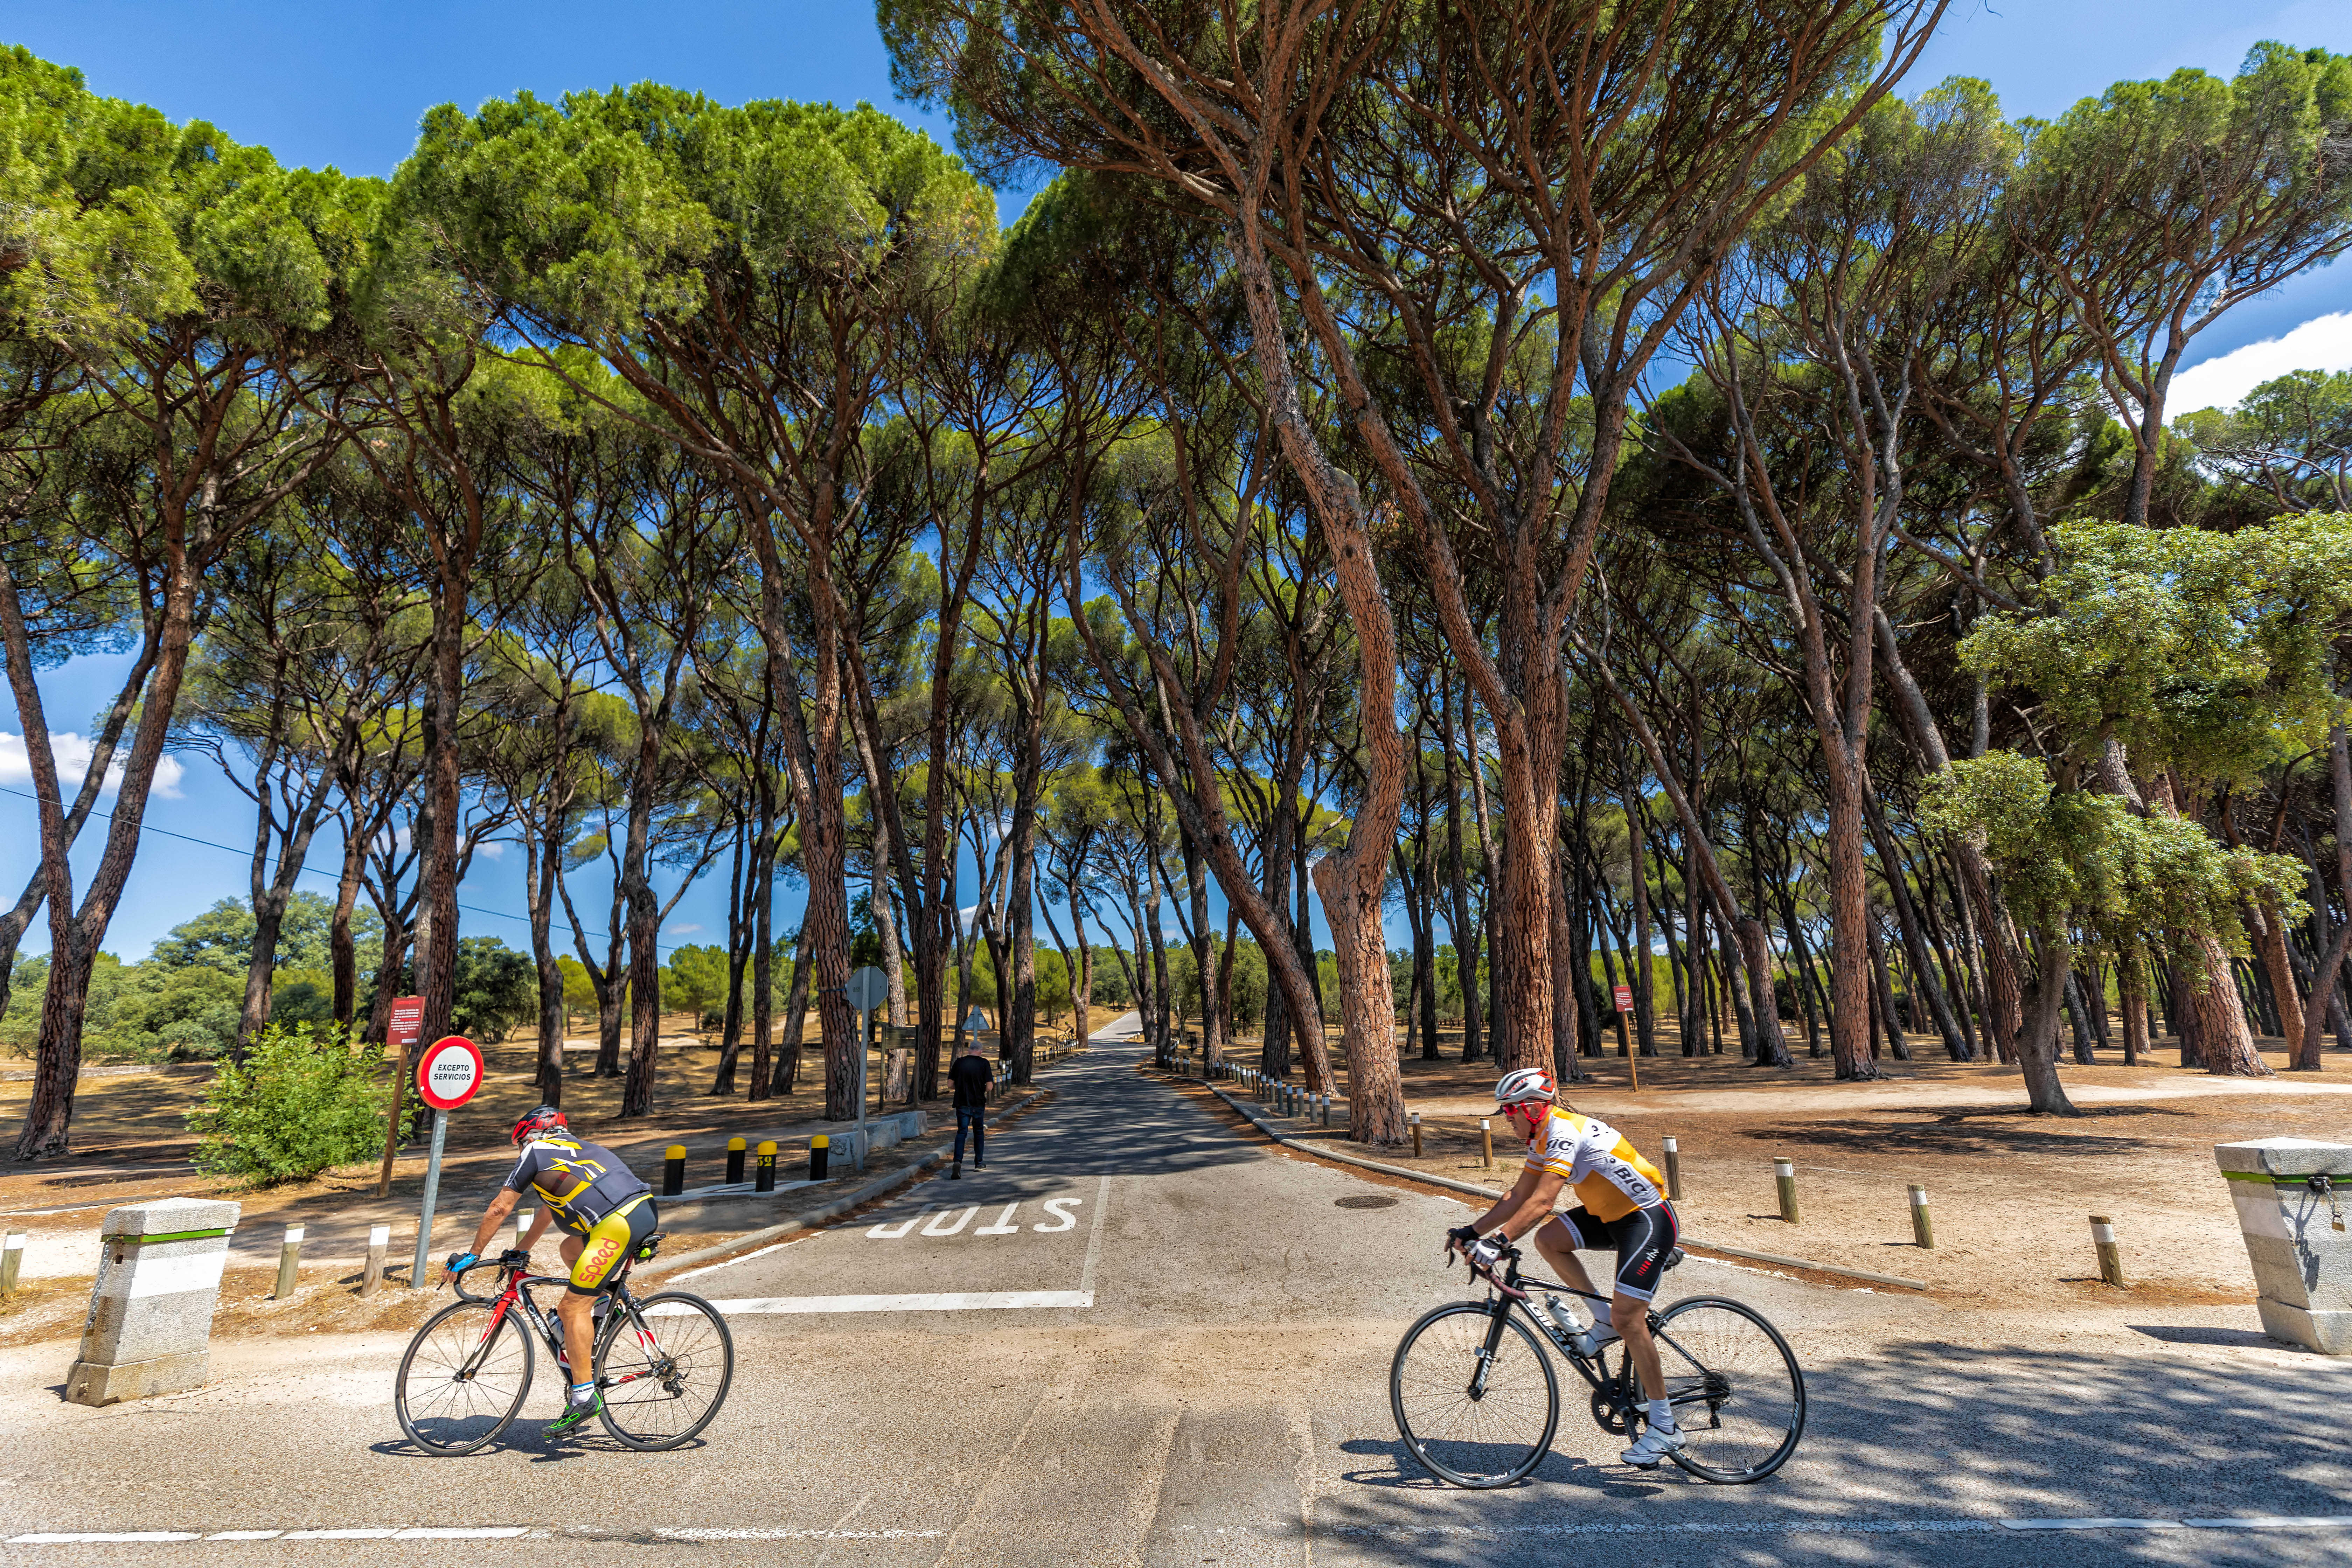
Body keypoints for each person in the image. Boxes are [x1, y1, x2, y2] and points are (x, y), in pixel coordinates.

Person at [1445, 1066, 1684, 1468]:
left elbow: (1541, 1204)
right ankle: (1600, 1320)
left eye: (1510, 1112)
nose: (1508, 1121)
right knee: (1548, 1240)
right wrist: (1472, 1230)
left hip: (1647, 1220)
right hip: (1611, 1217)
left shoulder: (1562, 1133)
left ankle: (1664, 1427)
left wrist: (1498, 1243)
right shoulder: (1542, 1136)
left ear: (1533, 1110)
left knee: (1631, 1319)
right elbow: (1518, 1195)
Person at [444, 1105, 655, 1437]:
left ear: (529, 1136)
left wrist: (473, 1254)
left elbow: (500, 1207)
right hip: (636, 1213)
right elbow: (548, 1209)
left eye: (520, 1144)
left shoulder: (535, 1150)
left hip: (616, 1225)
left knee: (571, 1307)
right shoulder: (574, 1151)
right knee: (569, 1249)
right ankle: (606, 1307)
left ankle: (584, 1397)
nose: (520, 1151)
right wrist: (522, 1249)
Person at [948, 1037, 992, 1178]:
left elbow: (950, 1085)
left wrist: (960, 1088)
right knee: (979, 1132)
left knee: (962, 1132)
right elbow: (990, 1087)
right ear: (981, 1051)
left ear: (969, 1050)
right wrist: (981, 1090)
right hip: (978, 1104)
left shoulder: (959, 1062)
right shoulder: (984, 1063)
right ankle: (979, 1163)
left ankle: (957, 1162)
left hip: (962, 1103)